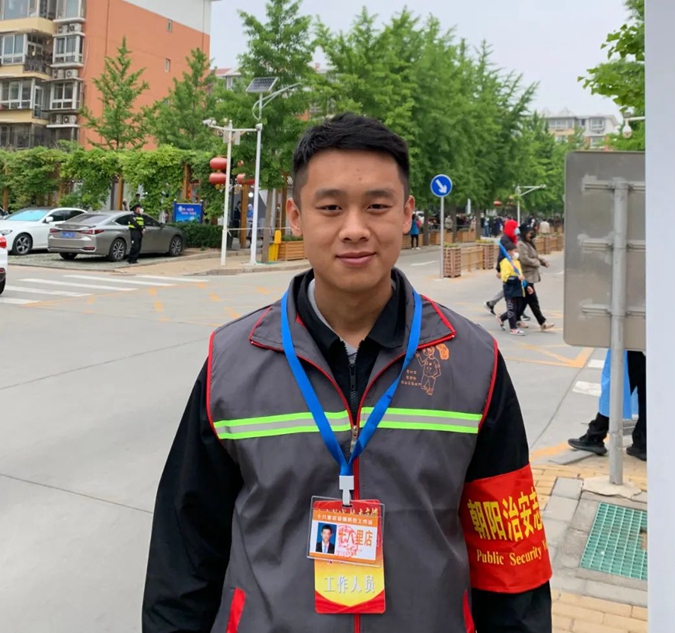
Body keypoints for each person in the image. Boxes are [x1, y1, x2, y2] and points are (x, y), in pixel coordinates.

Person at [142, 113, 552, 633]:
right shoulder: (232, 362)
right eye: (331, 207)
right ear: (296, 216)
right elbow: (184, 551)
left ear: (407, 213)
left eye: (377, 206)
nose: (355, 229)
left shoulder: (474, 362)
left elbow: (510, 556)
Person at [568, 351, 646, 461]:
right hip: (653, 349)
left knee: (617, 390)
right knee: (647, 394)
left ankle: (595, 436)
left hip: (635, 348)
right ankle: (642, 442)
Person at [484, 219, 530, 321]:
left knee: (510, 289)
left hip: (511, 267)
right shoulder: (505, 240)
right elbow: (502, 255)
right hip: (507, 268)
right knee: (511, 289)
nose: (516, 230)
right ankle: (514, 313)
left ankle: (492, 303)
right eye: (515, 228)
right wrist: (499, 270)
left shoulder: (511, 238)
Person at [517, 224, 555, 332]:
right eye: (529, 233)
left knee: (525, 300)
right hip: (526, 276)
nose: (531, 234)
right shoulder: (521, 244)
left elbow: (535, 256)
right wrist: (537, 263)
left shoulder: (530, 243)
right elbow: (524, 259)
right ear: (524, 233)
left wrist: (543, 262)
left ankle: (513, 318)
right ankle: (542, 322)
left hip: (531, 275)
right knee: (533, 300)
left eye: (532, 232)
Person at [497, 243, 529, 336]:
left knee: (517, 309)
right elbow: (505, 278)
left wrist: (527, 286)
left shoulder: (516, 262)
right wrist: (516, 278)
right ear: (509, 252)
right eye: (514, 251)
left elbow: (521, 275)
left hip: (518, 289)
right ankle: (513, 328)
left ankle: (501, 318)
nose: (516, 252)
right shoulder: (505, 262)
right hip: (510, 289)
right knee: (511, 309)